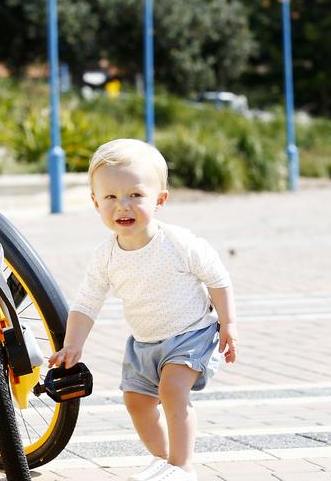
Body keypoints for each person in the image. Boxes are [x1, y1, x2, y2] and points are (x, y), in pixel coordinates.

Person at [49, 139, 239, 481]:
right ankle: (164, 459)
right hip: (143, 344)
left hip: (191, 334)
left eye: (135, 195)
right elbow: (86, 302)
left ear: (160, 200)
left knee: (171, 391)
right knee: (136, 401)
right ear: (95, 203)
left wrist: (229, 323)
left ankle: (183, 465)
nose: (123, 206)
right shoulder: (105, 256)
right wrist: (74, 344)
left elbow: (217, 277)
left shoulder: (178, 243)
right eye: (110, 197)